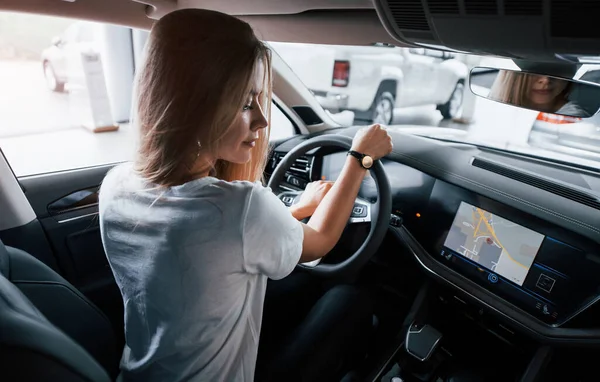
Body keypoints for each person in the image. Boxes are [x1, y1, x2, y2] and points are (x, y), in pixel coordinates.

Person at [98, 8, 393, 382]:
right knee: (348, 302)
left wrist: (299, 207)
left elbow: (219, 243)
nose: (262, 120)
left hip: (141, 372)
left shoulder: (115, 184)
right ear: (196, 104)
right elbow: (319, 243)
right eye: (243, 103)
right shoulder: (240, 208)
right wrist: (359, 158)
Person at [488, 70, 590, 117]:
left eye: (557, 72)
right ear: (515, 77)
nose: (546, 80)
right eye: (535, 70)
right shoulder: (497, 113)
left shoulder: (571, 117)